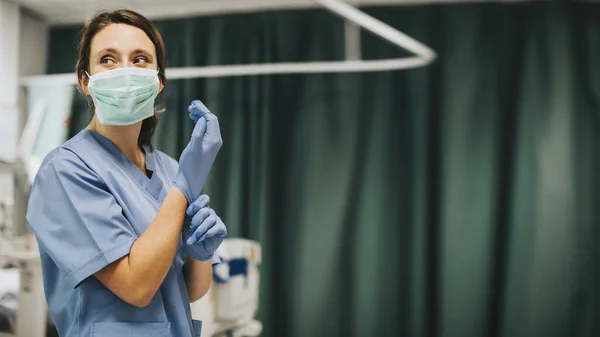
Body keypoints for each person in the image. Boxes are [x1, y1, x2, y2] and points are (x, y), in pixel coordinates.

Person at [25, 9, 227, 337]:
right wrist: (184, 188)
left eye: (140, 59)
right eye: (107, 59)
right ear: (84, 81)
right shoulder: (64, 170)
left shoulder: (168, 168)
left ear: (158, 81)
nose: (125, 71)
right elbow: (136, 286)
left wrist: (199, 255)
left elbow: (186, 291)